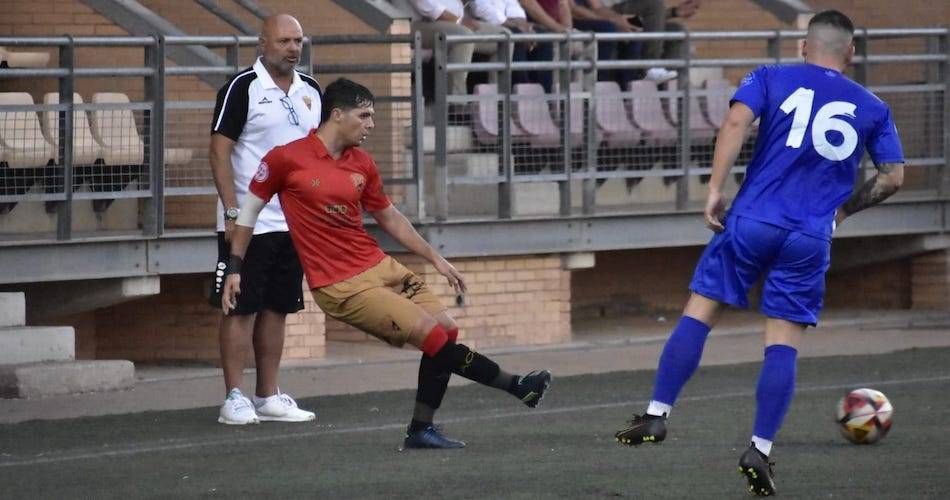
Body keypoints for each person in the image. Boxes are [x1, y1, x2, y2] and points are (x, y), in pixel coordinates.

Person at [612, 10, 904, 496]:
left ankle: (657, 415)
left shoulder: (770, 76)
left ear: (802, 46)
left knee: (700, 312)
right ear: (850, 53)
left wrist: (713, 188)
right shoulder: (873, 105)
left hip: (752, 219)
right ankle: (760, 449)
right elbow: (893, 176)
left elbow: (735, 120)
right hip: (810, 235)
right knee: (782, 342)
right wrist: (842, 213)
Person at [221, 78, 553, 449]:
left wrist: (436, 258)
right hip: (340, 284)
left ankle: (421, 430)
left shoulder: (362, 163)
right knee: (433, 337)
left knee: (448, 331)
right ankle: (516, 385)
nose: (371, 125)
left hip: (380, 266)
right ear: (337, 115)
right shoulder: (285, 158)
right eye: (364, 116)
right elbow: (248, 212)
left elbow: (390, 217)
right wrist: (235, 266)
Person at [208, 14, 321, 425]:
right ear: (262, 43)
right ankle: (233, 397)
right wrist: (232, 210)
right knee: (240, 308)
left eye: (298, 40)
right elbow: (219, 151)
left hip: (293, 222)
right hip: (248, 223)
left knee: (278, 307)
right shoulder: (242, 88)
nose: (293, 48)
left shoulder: (312, 91)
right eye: (284, 40)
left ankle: (267, 394)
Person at [396, 0, 510, 96]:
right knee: (463, 36)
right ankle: (456, 105)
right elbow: (430, 8)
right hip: (418, 24)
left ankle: (497, 101)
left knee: (504, 36)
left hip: (456, 20)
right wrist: (458, 21)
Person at [605, 0, 703, 82]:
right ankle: (651, 67)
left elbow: (643, 20)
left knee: (677, 30)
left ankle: (677, 89)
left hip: (632, 23)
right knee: (655, 5)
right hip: (606, 16)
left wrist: (673, 12)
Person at [470, 0, 556, 92]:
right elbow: (480, 8)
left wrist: (523, 25)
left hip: (511, 24)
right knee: (518, 37)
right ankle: (522, 93)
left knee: (544, 39)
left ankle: (545, 95)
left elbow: (514, 7)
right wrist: (515, 25)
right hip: (488, 23)